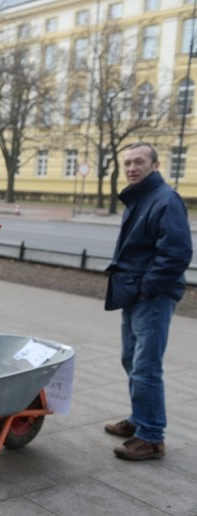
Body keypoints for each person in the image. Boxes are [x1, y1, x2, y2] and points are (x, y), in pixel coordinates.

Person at [103, 142, 192, 461]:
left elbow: (177, 252)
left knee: (146, 366)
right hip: (136, 291)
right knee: (131, 359)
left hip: (151, 296)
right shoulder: (141, 196)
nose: (131, 168)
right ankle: (140, 419)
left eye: (139, 162)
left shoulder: (165, 199)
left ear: (155, 165)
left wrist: (147, 288)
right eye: (127, 162)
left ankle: (152, 437)